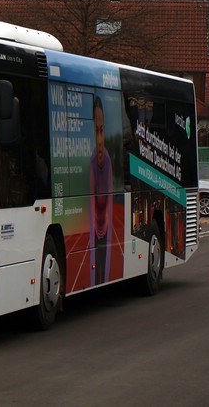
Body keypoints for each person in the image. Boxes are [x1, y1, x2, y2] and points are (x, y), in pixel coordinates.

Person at [89, 96, 113, 286]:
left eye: (102, 131)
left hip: (105, 225)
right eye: (96, 132)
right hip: (95, 226)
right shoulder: (91, 162)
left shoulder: (108, 161)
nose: (99, 140)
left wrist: (103, 227)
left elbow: (110, 199)